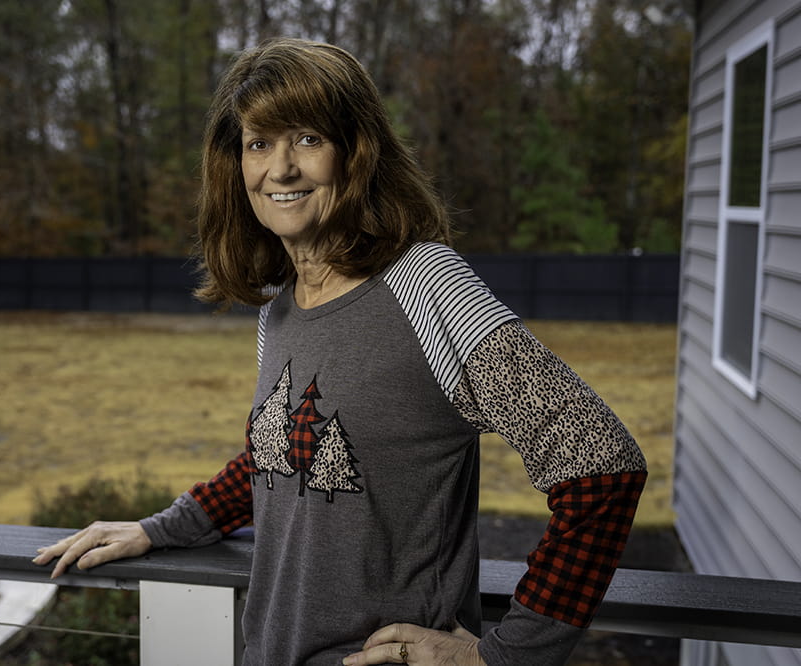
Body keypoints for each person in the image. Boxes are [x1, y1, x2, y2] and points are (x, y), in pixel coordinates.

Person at [33, 37, 648, 666]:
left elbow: (602, 466)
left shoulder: (427, 285)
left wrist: (505, 657)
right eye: (259, 143)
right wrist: (158, 530)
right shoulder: (280, 311)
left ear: (355, 154)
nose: (280, 169)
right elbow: (278, 463)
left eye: (307, 138)